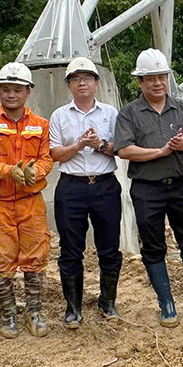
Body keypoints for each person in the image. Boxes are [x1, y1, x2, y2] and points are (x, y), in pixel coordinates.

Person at [115, 49, 183, 328]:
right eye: (150, 78)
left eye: (161, 77)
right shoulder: (129, 113)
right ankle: (166, 303)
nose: (157, 83)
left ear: (168, 79)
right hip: (146, 188)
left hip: (180, 185)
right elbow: (124, 150)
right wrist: (161, 151)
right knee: (153, 247)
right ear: (140, 82)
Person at [0, 62, 54, 339]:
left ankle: (34, 312)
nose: (11, 94)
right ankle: (8, 313)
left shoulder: (40, 125)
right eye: (5, 89)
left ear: (27, 92)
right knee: (0, 257)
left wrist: (35, 172)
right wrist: (11, 171)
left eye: (17, 89)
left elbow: (46, 158)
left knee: (35, 256)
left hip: (31, 201)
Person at [49, 57, 123, 330]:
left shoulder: (110, 113)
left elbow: (122, 148)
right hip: (71, 186)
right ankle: (73, 307)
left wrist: (100, 143)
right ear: (69, 84)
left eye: (87, 78)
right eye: (76, 78)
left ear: (96, 83)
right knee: (70, 248)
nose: (82, 82)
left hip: (104, 184)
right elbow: (55, 153)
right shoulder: (59, 116)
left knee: (109, 247)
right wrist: (79, 145)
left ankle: (107, 301)